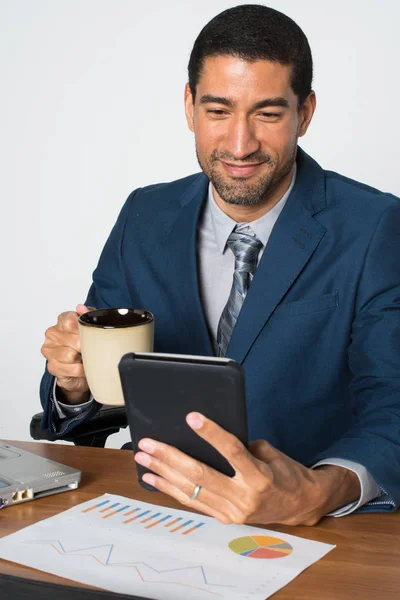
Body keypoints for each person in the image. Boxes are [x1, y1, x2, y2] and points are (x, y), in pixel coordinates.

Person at [40, 4, 400, 526]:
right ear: (189, 107)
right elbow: (105, 394)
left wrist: (319, 492)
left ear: (306, 112)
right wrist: (73, 383)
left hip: (310, 529)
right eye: (218, 110)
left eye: (268, 114)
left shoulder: (376, 226)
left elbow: (393, 403)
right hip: (154, 509)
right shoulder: (144, 215)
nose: (239, 144)